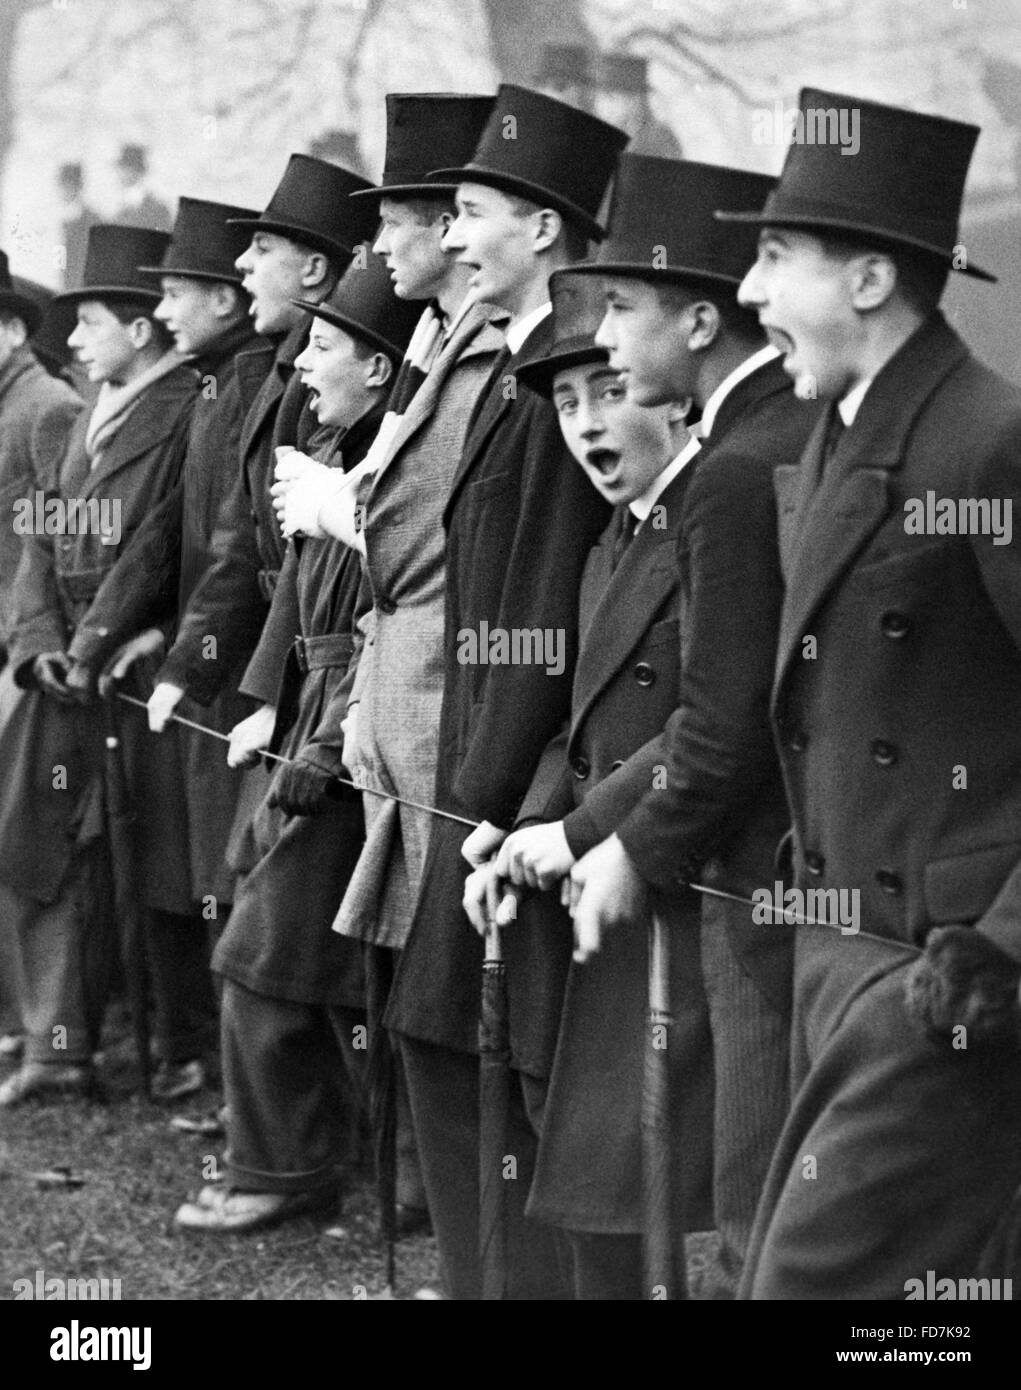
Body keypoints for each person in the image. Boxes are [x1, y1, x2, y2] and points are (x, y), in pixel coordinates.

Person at [724, 87, 1021, 1300]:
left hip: (942, 982)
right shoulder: (832, 439)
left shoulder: (988, 441)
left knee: (809, 1285)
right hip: (837, 957)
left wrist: (994, 956)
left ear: (867, 280)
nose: (749, 293)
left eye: (775, 258)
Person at [380, 84, 627, 1299]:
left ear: (541, 227)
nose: (454, 236)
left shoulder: (561, 374)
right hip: (486, 775)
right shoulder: (519, 362)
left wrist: (481, 801)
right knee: (451, 1038)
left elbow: (540, 614)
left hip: (518, 782)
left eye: (470, 213)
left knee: (501, 1055)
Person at [563, 154, 823, 1294]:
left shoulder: (728, 469)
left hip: (758, 883)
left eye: (622, 306)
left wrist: (630, 850)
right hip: (819, 873)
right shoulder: (794, 428)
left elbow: (722, 720)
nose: (604, 339)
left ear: (701, 321)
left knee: (758, 1192)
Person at [271, 90, 502, 1234]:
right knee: (413, 989)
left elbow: (433, 532)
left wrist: (339, 510)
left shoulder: (484, 350)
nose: (384, 244)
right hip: (396, 699)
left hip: (440, 702)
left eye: (397, 222)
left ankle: (447, 1222)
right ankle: (429, 1212)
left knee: (442, 995)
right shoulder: (440, 340)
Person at [464, 267, 712, 1299]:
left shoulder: (712, 513)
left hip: (677, 884)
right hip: (597, 885)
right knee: (590, 1174)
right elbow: (581, 722)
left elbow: (710, 718)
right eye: (565, 404)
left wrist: (580, 831)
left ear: (671, 396)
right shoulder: (609, 539)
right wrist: (519, 826)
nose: (584, 425)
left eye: (606, 392)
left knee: (652, 1188)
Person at [175, 249, 420, 1233]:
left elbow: (384, 629)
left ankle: (286, 1169)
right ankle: (326, 1158)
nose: (305, 366)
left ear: (380, 369)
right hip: (313, 723)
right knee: (290, 951)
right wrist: (269, 706)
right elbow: (297, 603)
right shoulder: (332, 453)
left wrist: (320, 745)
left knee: (268, 955)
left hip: (353, 741)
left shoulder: (383, 477)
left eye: (326, 348)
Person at [59, 198, 263, 1101]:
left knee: (215, 872)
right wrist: (99, 634)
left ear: (223, 299)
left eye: (179, 293)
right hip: (170, 661)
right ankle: (189, 1055)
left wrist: (168, 641)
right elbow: (165, 534)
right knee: (171, 867)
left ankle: (217, 1071)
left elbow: (230, 546)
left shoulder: (230, 387)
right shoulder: (218, 384)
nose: (168, 309)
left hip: (222, 669)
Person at [0, 224, 196, 1106]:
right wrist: (41, 643)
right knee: (39, 843)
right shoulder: (89, 415)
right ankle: (56, 1046)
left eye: (90, 323)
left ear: (141, 329)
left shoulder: (182, 409)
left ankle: (154, 1048)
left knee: (145, 871)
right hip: (65, 670)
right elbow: (41, 536)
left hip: (130, 674)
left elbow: (162, 550)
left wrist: (94, 649)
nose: (73, 340)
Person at [142, 156, 376, 884]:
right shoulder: (277, 370)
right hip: (284, 675)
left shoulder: (336, 377)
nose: (242, 263)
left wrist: (274, 696)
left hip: (321, 685)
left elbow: (322, 561)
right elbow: (240, 537)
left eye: (262, 248)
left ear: (314, 270)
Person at [0, 247, 84, 1060]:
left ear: (12, 328)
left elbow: (53, 544)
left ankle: (54, 1041)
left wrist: (33, 644)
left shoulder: (47, 408)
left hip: (25, 656)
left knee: (32, 845)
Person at [593, 54, 683, 159]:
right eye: (602, 98)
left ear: (635, 100)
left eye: (611, 98)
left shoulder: (660, 139)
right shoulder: (605, 136)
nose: (604, 107)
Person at [56, 163, 100, 291]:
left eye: (71, 186)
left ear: (79, 187)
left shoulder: (92, 219)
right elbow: (58, 254)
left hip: (81, 286)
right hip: (60, 285)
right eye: (64, 185)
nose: (66, 190)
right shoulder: (56, 218)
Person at [112, 144, 172, 232]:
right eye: (121, 169)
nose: (120, 174)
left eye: (127, 169)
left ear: (138, 172)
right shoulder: (122, 207)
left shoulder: (157, 208)